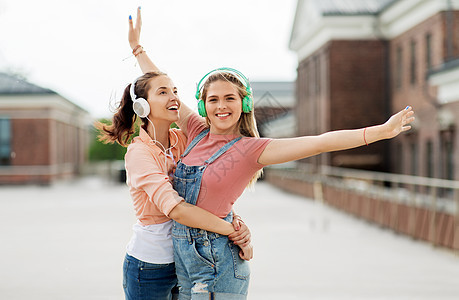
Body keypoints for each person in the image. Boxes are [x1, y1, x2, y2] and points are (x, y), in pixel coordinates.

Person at [128, 8, 415, 299]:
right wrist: (138, 50)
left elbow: (320, 142)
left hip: (219, 263)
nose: (221, 106)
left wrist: (379, 132)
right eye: (213, 99)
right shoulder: (196, 130)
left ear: (244, 103)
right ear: (203, 107)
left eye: (230, 98)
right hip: (185, 264)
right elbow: (162, 90)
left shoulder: (252, 150)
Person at [99, 22, 253, 300]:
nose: (174, 98)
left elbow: (204, 191)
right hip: (150, 267)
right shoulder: (139, 153)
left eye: (175, 91)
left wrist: (138, 50)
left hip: (189, 259)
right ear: (143, 106)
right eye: (164, 93)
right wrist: (231, 230)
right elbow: (177, 210)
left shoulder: (185, 139)